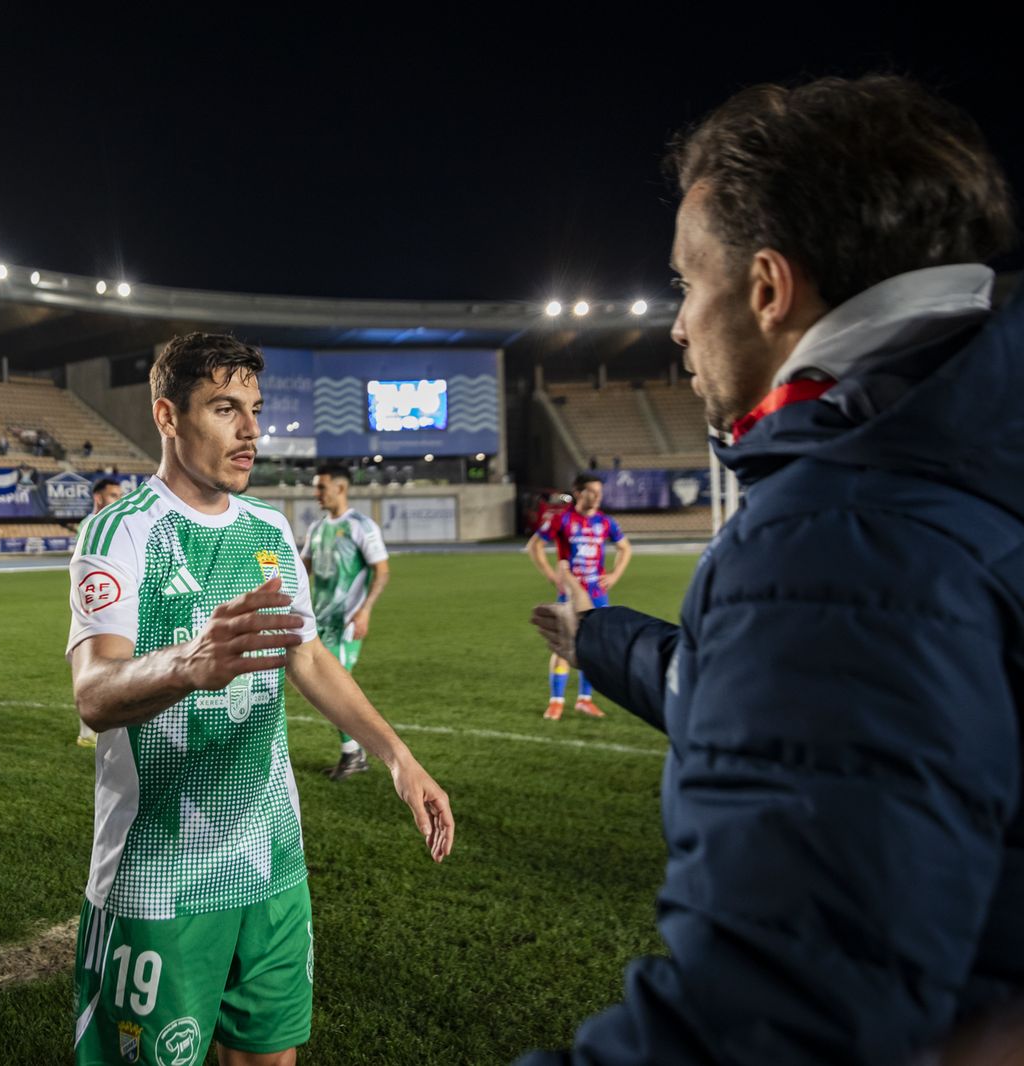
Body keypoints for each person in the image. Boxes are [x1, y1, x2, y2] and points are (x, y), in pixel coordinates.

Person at [525, 76, 1022, 1065]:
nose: (676, 326)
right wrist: (601, 637)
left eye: (685, 283)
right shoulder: (966, 450)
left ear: (766, 288)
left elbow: (767, 1026)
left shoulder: (846, 526)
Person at [67, 332, 453, 1066]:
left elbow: (306, 654)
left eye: (255, 409)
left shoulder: (269, 529)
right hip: (161, 874)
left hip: (271, 860)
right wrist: (187, 664)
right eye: (224, 409)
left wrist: (398, 758)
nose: (250, 430)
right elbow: (93, 693)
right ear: (168, 416)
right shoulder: (120, 532)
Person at [300, 463, 390, 780]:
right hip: (319, 620)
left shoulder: (361, 526)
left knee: (333, 687)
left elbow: (382, 571)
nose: (316, 493)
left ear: (340, 488)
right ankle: (354, 753)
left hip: (345, 622)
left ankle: (353, 754)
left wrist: (365, 611)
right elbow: (302, 569)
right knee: (325, 686)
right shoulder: (317, 528)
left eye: (321, 487)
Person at [525, 473, 630, 720]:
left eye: (599, 492)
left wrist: (614, 575)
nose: (597, 496)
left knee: (593, 648)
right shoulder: (562, 519)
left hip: (597, 594)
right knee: (564, 646)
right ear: (578, 493)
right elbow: (534, 545)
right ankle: (556, 701)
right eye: (592, 491)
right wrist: (552, 576)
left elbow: (625, 548)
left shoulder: (605, 522)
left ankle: (585, 699)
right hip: (571, 594)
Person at [74, 479, 125, 749]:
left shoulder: (115, 523)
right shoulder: (92, 526)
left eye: (120, 495)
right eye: (114, 495)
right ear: (98, 498)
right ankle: (87, 732)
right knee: (93, 666)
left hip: (111, 604)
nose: (119, 499)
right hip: (95, 608)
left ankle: (96, 730)